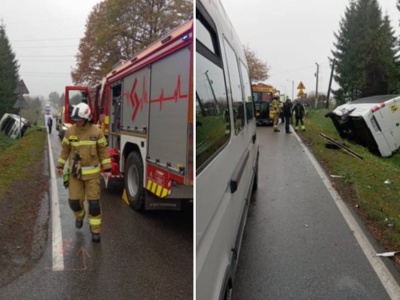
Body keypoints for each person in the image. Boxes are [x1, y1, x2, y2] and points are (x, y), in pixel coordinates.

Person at [56, 102, 112, 242]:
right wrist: (60, 166)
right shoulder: (70, 132)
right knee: (74, 202)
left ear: (86, 117)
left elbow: (103, 151)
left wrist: (107, 168)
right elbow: (64, 150)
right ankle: (79, 216)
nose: (77, 121)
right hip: (76, 175)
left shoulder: (96, 132)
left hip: (92, 176)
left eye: (79, 119)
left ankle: (95, 231)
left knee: (94, 204)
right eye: (75, 119)